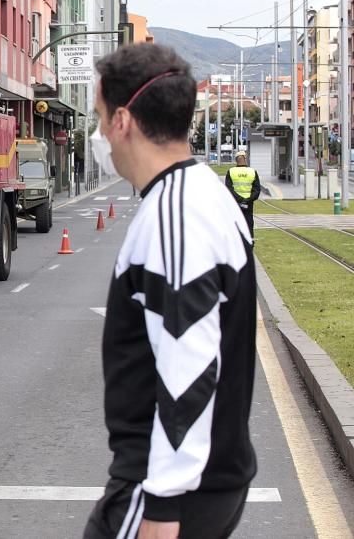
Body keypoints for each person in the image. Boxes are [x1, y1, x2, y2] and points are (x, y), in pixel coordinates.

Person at [84, 44, 257, 539]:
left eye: (98, 119)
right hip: (195, 487)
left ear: (123, 120)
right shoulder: (197, 194)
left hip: (165, 493)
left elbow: (189, 362)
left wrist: (162, 508)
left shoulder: (175, 216)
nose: (99, 136)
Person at [226, 149, 261, 237]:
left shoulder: (231, 172)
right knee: (248, 224)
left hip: (235, 203)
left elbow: (228, 189)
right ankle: (250, 244)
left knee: (235, 225)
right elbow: (257, 189)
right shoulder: (252, 172)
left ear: (236, 160)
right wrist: (248, 199)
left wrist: (240, 199)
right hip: (249, 203)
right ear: (245, 159)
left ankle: (237, 244)